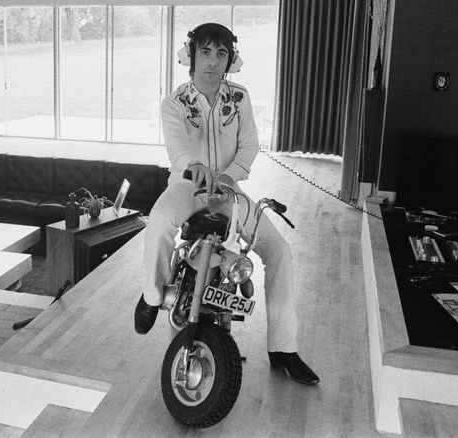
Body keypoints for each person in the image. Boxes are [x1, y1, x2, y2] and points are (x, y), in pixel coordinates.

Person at [133, 23, 319, 385]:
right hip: (187, 187)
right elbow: (177, 147)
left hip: (228, 190)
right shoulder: (174, 103)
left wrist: (231, 176)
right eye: (206, 52)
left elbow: (249, 144)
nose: (213, 62)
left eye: (222, 54)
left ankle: (284, 348)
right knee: (158, 222)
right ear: (191, 57)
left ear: (230, 60)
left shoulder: (241, 97)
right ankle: (152, 296)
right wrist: (195, 166)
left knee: (280, 250)